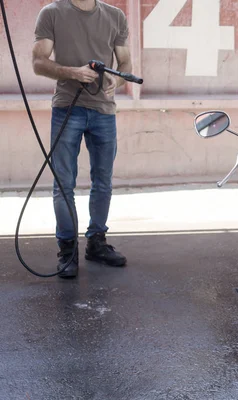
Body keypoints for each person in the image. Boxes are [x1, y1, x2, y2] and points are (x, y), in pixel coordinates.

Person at [32, 0, 131, 278]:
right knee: (63, 183)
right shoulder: (52, 13)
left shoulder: (115, 16)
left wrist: (117, 81)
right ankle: (67, 249)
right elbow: (38, 62)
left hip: (104, 111)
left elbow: (125, 63)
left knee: (103, 181)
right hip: (66, 107)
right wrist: (72, 73)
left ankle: (96, 242)